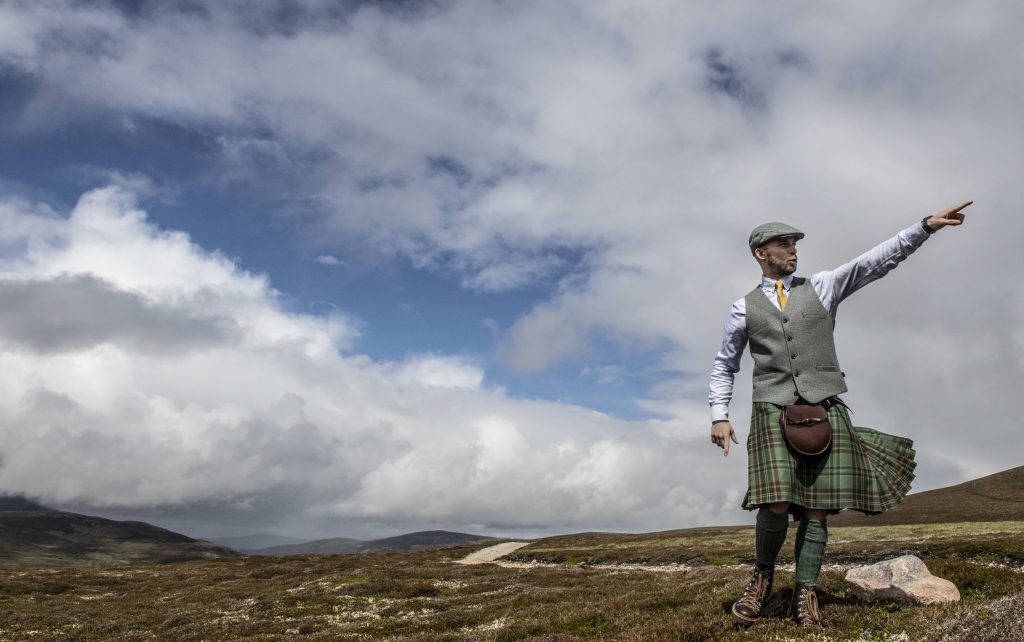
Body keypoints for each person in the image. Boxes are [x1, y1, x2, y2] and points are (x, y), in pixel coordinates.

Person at [708, 201, 971, 628]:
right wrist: (719, 414)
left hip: (822, 406)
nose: (793, 249)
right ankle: (761, 580)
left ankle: (806, 592)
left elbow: (873, 263)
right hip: (771, 409)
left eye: (794, 242)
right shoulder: (742, 308)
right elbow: (725, 365)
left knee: (817, 508)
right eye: (783, 243)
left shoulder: (823, 286)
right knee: (775, 502)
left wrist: (924, 227)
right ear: (761, 253)